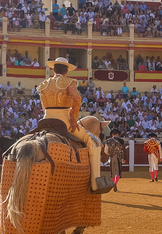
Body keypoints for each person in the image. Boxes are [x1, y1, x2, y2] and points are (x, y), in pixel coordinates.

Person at [35, 57, 114, 194]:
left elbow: (43, 106)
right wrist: (72, 119)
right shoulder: (69, 82)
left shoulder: (44, 84)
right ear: (66, 71)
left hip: (45, 120)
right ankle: (96, 184)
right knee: (94, 141)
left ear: (53, 69)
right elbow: (77, 98)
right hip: (63, 120)